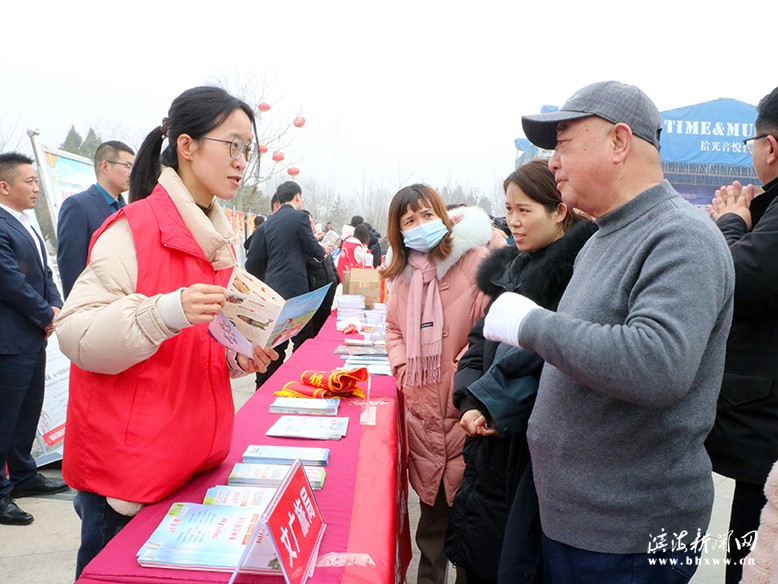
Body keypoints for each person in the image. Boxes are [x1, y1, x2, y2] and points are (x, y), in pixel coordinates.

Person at [482, 81, 735, 582]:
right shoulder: (602, 238)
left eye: (563, 144)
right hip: (576, 519)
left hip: (628, 535)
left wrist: (530, 323)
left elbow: (658, 365)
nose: (552, 162)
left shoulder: (679, 236)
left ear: (619, 142)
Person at [54, 86, 278, 578]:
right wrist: (164, 312)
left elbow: (198, 347)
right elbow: (76, 334)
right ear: (187, 145)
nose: (242, 162)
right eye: (233, 145)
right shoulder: (129, 231)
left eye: (248, 149)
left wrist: (237, 357)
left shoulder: (217, 243)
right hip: (129, 479)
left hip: (193, 462)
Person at [445, 160, 596, 584]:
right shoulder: (513, 271)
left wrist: (496, 408)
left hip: (531, 454)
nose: (513, 221)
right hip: (487, 441)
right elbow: (478, 346)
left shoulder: (577, 280)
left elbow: (556, 365)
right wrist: (472, 400)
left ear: (559, 211)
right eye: (508, 210)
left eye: (524, 210)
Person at [382, 185, 493, 584]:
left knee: (469, 535)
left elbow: (489, 331)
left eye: (427, 215)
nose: (419, 225)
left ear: (443, 216)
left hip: (466, 415)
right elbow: (393, 328)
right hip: (424, 419)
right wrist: (402, 367)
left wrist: (463, 376)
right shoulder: (404, 278)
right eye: (409, 221)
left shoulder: (476, 262)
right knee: (431, 530)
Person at [704, 85, 778, 584]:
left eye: (752, 143)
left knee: (745, 563)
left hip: (761, 434)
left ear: (770, 147)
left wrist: (730, 224)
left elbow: (741, 280)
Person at [0, 152, 68, 526]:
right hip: (9, 340)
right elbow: (9, 280)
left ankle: (23, 475)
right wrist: (46, 314)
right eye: (29, 181)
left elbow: (43, 273)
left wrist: (56, 306)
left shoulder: (25, 222)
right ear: (4, 186)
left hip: (33, 336)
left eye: (37, 181)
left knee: (28, 411)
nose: (36, 187)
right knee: (4, 417)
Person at [246, 180, 328, 389]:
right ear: (298, 197)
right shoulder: (299, 216)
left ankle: (264, 389)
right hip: (297, 292)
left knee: (274, 347)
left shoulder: (268, 223)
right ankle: (301, 386)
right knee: (303, 342)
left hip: (272, 292)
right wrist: (322, 251)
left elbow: (253, 262)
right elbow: (312, 247)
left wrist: (267, 282)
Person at [56, 141, 135, 298]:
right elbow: (71, 265)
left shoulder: (128, 209)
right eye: (127, 166)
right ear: (105, 166)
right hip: (94, 302)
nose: (131, 172)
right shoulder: (78, 205)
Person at [293, 209, 339, 345]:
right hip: (312, 299)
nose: (312, 225)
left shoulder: (319, 243)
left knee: (321, 335)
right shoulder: (302, 245)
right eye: (310, 222)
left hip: (326, 295)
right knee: (306, 339)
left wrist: (336, 280)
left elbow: (330, 263)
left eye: (312, 222)